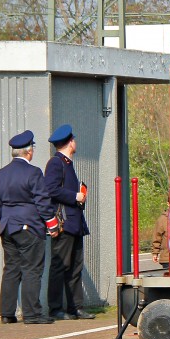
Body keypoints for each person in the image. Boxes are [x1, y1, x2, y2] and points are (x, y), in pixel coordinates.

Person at [0, 130, 59, 325]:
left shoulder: (0, 174)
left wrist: (3, 221)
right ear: (29, 151)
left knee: (11, 268)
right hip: (29, 226)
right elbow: (42, 201)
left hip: (7, 227)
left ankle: (7, 313)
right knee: (32, 269)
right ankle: (32, 314)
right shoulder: (33, 172)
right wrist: (52, 224)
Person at [44, 123, 95, 320]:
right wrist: (75, 196)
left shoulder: (66, 163)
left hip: (74, 223)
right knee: (60, 266)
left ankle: (75, 307)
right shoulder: (56, 163)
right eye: (74, 140)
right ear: (70, 142)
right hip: (64, 223)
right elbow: (51, 189)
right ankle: (55, 308)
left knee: (75, 266)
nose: (76, 142)